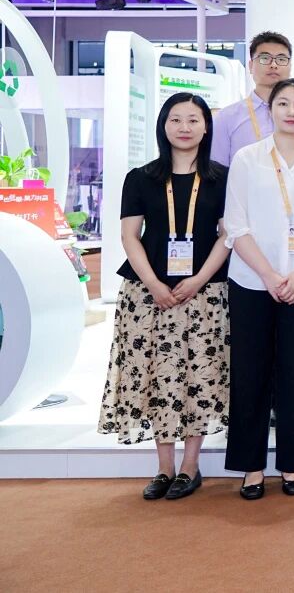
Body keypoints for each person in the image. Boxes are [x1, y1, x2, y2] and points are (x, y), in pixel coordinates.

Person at [99, 93, 231, 501]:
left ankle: (190, 466)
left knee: (199, 376)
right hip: (147, 295)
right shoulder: (141, 178)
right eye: (176, 119)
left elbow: (228, 236)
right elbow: (129, 236)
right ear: (163, 126)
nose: (185, 127)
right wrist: (154, 284)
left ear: (206, 127)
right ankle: (163, 467)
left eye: (193, 119)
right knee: (157, 376)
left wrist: (198, 279)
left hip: (205, 294)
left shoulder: (222, 178)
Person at [223, 78, 294, 500]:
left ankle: (292, 463)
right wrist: (269, 275)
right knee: (250, 372)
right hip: (252, 282)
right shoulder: (248, 159)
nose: (291, 111)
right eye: (283, 103)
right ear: (270, 110)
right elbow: (236, 225)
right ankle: (251, 466)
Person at [212, 31, 294, 165]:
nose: (273, 65)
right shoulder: (226, 118)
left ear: (290, 66)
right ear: (251, 66)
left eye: (281, 59)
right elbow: (218, 171)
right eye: (265, 58)